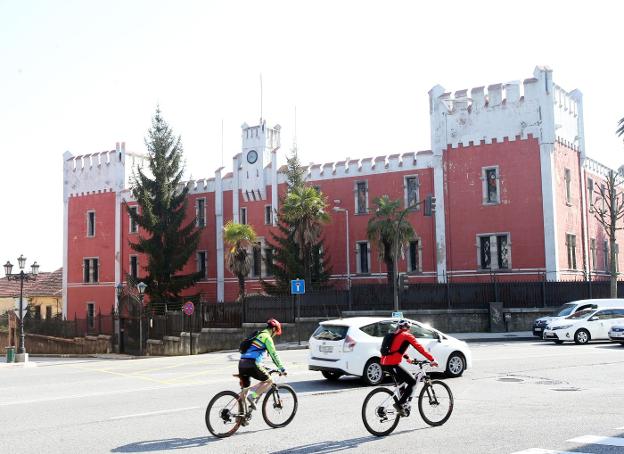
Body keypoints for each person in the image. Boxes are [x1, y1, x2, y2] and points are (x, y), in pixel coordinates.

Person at [380, 319, 438, 416]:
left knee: (402, 383)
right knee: (412, 382)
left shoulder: (395, 335)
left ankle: (403, 405)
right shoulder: (407, 335)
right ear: (408, 328)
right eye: (408, 328)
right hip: (392, 364)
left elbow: (397, 350)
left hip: (385, 364)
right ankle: (399, 405)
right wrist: (432, 359)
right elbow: (420, 348)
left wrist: (408, 358)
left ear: (398, 327)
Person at [238, 318, 286, 410]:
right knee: (269, 381)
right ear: (273, 329)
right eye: (276, 333)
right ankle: (253, 397)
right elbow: (273, 354)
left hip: (241, 363)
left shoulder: (257, 335)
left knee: (245, 389)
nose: (275, 335)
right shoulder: (267, 337)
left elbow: (253, 354)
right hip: (252, 363)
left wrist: (264, 366)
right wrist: (282, 368)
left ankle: (240, 417)